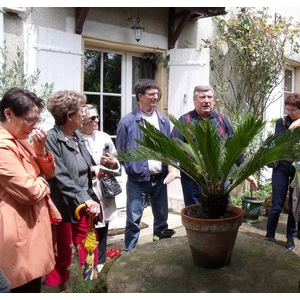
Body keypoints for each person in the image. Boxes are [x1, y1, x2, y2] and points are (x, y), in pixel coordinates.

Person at [0, 87, 56, 292]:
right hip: (17, 235)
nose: (34, 127)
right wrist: (41, 180)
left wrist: (40, 151)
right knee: (21, 286)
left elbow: (48, 172)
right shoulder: (2, 146)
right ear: (8, 114)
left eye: (36, 121)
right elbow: (30, 191)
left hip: (30, 229)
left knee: (32, 285)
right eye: (29, 120)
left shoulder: (20, 140)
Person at [44, 91, 101, 290]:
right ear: (69, 116)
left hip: (84, 203)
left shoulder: (76, 135)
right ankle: (62, 290)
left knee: (87, 245)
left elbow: (84, 162)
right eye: (80, 111)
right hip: (64, 207)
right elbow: (61, 177)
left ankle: (90, 285)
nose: (83, 115)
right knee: (63, 253)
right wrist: (86, 199)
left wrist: (94, 168)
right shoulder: (52, 138)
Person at [116, 78, 180, 251]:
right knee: (133, 220)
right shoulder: (128, 122)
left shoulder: (163, 121)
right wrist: (132, 168)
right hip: (137, 181)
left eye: (157, 94)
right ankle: (130, 254)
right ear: (140, 96)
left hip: (160, 180)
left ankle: (158, 250)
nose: (155, 98)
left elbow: (168, 148)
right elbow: (121, 152)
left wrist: (170, 169)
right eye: (151, 94)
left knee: (161, 218)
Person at [171, 85, 257, 207]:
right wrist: (172, 169)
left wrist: (248, 172)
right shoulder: (185, 120)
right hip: (193, 180)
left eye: (209, 97)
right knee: (196, 215)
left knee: (224, 212)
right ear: (194, 100)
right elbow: (172, 145)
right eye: (202, 97)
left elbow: (235, 147)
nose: (206, 100)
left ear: (213, 100)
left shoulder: (222, 120)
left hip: (219, 181)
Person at [79, 104, 121, 274]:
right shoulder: (75, 139)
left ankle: (101, 264)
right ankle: (89, 270)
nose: (97, 120)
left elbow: (117, 162)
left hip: (104, 191)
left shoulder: (104, 137)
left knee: (104, 228)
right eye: (92, 118)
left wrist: (114, 163)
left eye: (97, 117)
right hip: (86, 193)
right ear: (81, 121)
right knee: (88, 231)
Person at [265, 93, 300, 251]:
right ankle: (269, 235)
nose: (290, 112)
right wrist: (293, 127)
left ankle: (290, 238)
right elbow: (280, 141)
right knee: (277, 204)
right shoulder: (282, 122)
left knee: (294, 204)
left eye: (294, 109)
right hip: (282, 167)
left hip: (297, 169)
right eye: (288, 109)